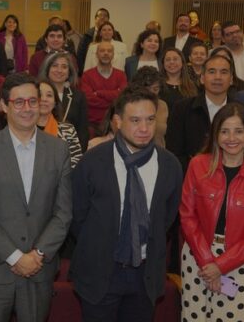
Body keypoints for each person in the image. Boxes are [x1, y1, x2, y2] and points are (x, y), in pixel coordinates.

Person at [71, 88, 182, 322]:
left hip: (144, 274)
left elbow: (167, 218)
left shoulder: (170, 165)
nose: (144, 128)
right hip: (101, 271)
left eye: (150, 120)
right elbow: (78, 214)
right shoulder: (92, 160)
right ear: (117, 122)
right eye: (135, 120)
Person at [0, 72, 72, 322]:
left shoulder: (59, 149)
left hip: (40, 269)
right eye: (19, 102)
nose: (27, 108)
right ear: (4, 106)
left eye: (33, 101)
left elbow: (63, 213)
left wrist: (37, 255)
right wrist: (16, 257)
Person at [179, 103, 244, 322]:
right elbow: (187, 215)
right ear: (215, 135)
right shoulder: (198, 165)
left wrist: (221, 266)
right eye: (224, 131)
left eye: (239, 131)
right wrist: (207, 261)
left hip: (240, 260)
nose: (231, 138)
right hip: (197, 256)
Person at [166, 54, 234, 173]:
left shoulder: (242, 111)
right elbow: (174, 153)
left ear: (231, 79)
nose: (218, 77)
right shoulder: (182, 109)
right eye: (212, 72)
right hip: (191, 178)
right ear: (202, 78)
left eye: (224, 72)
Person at [39, 51, 89, 151]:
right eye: (54, 66)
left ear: (69, 72)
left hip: (68, 151)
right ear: (47, 69)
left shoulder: (79, 97)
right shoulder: (35, 93)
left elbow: (82, 132)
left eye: (64, 67)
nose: (59, 70)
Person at [80, 41, 128, 135]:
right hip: (92, 126)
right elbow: (88, 99)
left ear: (113, 54)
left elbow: (123, 98)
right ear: (97, 54)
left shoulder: (121, 75)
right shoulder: (87, 75)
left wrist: (98, 93)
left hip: (115, 125)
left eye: (109, 51)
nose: (106, 53)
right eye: (102, 51)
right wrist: (114, 96)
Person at [37, 79, 82, 168]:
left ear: (55, 103)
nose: (44, 99)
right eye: (39, 95)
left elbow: (76, 163)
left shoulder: (68, 129)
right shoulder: (24, 129)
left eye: (49, 95)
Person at [128, 66, 168, 147]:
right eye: (148, 89)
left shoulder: (162, 105)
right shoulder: (131, 105)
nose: (152, 93)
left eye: (156, 89)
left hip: (159, 152)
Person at [77, 8, 122, 73]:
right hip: (92, 72)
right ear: (95, 19)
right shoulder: (87, 35)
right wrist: (84, 73)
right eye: (100, 15)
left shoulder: (116, 34)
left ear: (108, 20)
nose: (102, 17)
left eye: (105, 16)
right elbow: (80, 56)